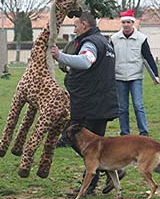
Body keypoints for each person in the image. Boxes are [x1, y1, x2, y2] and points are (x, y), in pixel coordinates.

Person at [51, 11, 120, 195]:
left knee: (72, 136)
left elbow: (86, 61)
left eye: (75, 26)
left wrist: (60, 56)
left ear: (84, 25)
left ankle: (101, 175)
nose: (74, 30)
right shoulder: (104, 42)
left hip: (90, 104)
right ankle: (108, 172)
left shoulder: (90, 43)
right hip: (102, 102)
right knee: (94, 144)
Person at [111, 9, 159, 137]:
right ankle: (124, 134)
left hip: (135, 77)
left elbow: (148, 57)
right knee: (122, 108)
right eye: (124, 22)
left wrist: (155, 75)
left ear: (133, 23)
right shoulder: (114, 39)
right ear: (121, 24)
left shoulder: (141, 39)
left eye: (129, 22)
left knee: (138, 106)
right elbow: (110, 58)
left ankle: (143, 133)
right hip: (119, 77)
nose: (126, 25)